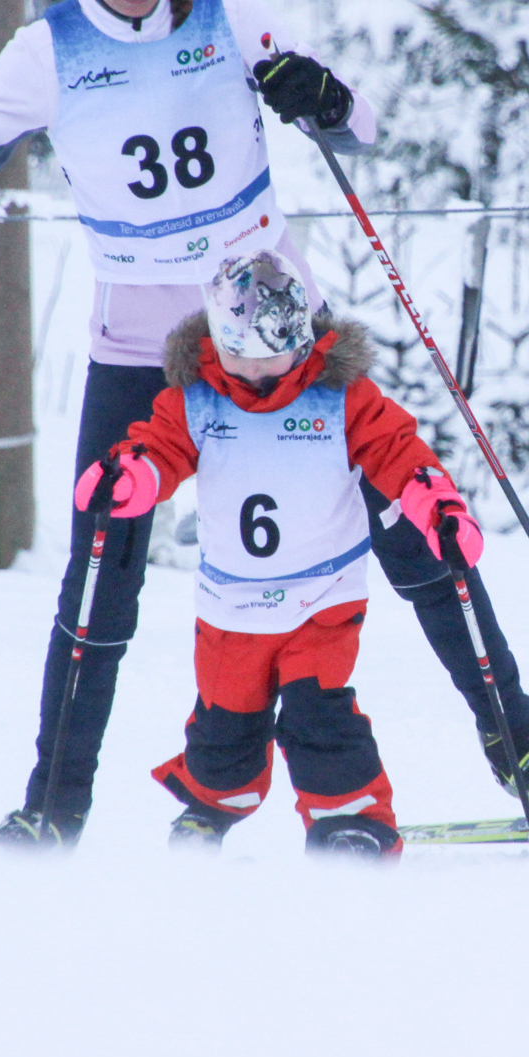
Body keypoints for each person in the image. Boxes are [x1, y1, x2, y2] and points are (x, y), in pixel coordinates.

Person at [0, 0, 529, 849]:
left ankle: (524, 749)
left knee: (412, 523)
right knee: (101, 566)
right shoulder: (47, 51)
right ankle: (51, 810)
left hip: (280, 328)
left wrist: (321, 95)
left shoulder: (227, 10)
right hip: (142, 347)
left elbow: (356, 127)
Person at [78, 251, 482, 859]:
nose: (259, 372)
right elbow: (157, 448)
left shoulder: (339, 397)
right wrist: (131, 476)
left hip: (322, 596)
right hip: (231, 604)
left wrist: (436, 505)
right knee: (225, 725)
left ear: (300, 338)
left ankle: (352, 820)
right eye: (240, 353)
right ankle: (214, 800)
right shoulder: (196, 399)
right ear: (217, 340)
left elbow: (398, 452)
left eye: (274, 352)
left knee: (320, 713)